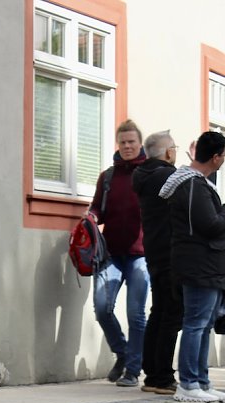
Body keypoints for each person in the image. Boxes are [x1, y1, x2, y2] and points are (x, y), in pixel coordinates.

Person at [159, 131, 225, 403]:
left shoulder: (197, 184)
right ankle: (188, 383)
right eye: (224, 156)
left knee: (203, 323)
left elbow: (206, 220)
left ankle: (201, 379)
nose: (223, 161)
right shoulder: (192, 185)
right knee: (195, 324)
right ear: (216, 157)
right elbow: (209, 226)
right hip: (198, 264)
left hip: (207, 264)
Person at [88, 120, 148, 388]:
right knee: (102, 308)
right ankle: (122, 352)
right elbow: (96, 208)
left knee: (136, 315)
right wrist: (90, 217)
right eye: (122, 142)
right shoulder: (108, 176)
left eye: (131, 142)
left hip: (140, 255)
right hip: (110, 254)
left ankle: (133, 370)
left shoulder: (148, 173)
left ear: (140, 143)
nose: (126, 146)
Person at [132, 130, 180, 395]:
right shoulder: (167, 176)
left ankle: (152, 373)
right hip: (171, 252)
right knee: (171, 315)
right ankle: (161, 376)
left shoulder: (143, 175)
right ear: (168, 152)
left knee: (159, 312)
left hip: (154, 251)